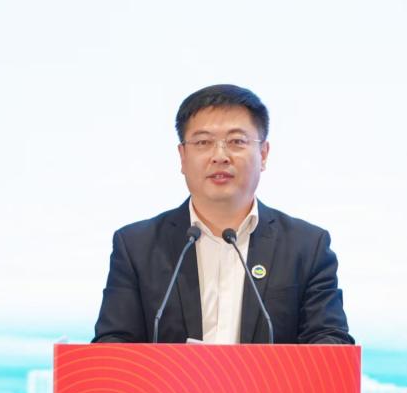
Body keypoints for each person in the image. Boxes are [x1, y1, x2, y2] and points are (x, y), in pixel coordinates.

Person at [93, 84, 353, 345]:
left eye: (236, 141)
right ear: (182, 156)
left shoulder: (306, 246)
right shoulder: (137, 246)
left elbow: (331, 343)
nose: (220, 156)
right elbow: (113, 345)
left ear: (263, 154)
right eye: (203, 142)